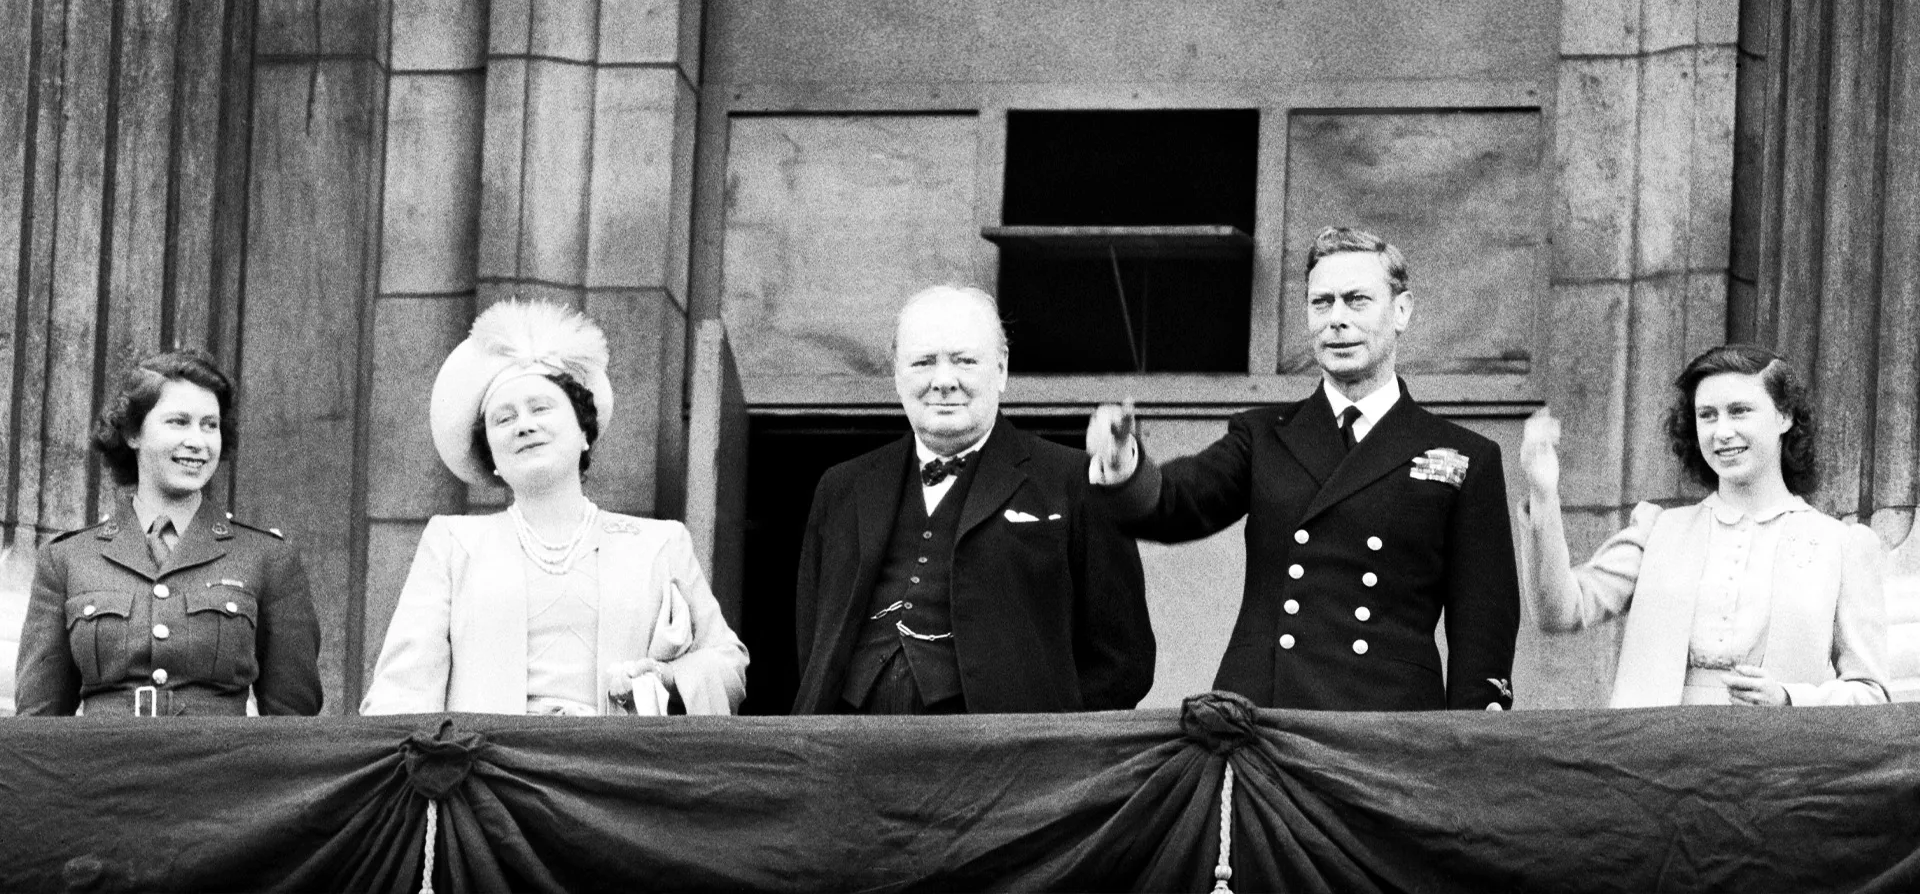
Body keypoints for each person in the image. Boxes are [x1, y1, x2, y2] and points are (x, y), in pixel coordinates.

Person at [1086, 227, 1519, 712]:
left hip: (1389, 728)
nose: (1336, 320)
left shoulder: (1464, 455)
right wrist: (1124, 463)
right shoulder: (1265, 435)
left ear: (1402, 310)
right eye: (1321, 303)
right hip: (1266, 722)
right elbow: (1178, 501)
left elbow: (1483, 621)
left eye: (1356, 301)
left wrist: (1473, 739)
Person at [361, 300, 747, 716]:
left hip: (616, 772)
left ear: (584, 431)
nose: (524, 425)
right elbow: (403, 690)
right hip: (490, 772)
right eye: (503, 419)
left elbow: (728, 666)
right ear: (491, 454)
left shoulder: (661, 543)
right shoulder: (453, 544)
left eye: (541, 408)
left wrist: (666, 679)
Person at [792, 285, 1155, 715]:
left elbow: (1123, 661)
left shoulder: (1074, 481)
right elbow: (812, 638)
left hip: (1001, 769)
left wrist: (1047, 752)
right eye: (924, 362)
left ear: (1001, 369)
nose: (944, 381)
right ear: (896, 374)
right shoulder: (842, 488)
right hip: (849, 757)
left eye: (964, 361)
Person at [1521, 344, 1890, 706]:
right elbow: (1560, 611)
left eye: (1739, 411)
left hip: (1773, 761)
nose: (1721, 432)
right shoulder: (1659, 530)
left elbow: (1872, 693)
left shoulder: (1842, 545)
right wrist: (1543, 494)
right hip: (1655, 757)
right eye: (1708, 415)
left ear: (1784, 417)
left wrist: (1791, 698)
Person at [14, 350, 323, 716]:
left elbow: (294, 724)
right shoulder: (67, 559)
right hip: (103, 772)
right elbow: (41, 720)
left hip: (220, 771)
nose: (198, 441)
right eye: (179, 422)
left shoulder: (268, 558)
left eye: (210, 425)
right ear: (132, 433)